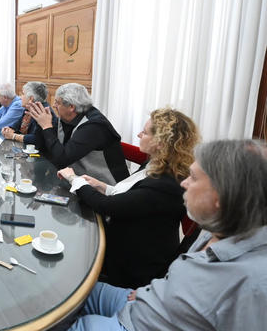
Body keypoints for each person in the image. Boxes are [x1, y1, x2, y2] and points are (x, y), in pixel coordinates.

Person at [67, 139, 267, 331]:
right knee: (69, 291)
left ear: (222, 196)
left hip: (137, 324)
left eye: (194, 178)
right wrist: (160, 288)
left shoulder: (254, 283)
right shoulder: (220, 229)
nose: (184, 183)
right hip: (143, 300)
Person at [58, 107, 201, 288]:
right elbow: (135, 198)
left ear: (160, 142)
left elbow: (104, 205)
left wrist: (73, 178)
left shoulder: (166, 184)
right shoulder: (159, 163)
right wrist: (102, 186)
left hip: (133, 265)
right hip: (132, 239)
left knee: (69, 252)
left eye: (145, 132)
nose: (139, 134)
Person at [27, 83, 128, 185]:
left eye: (57, 102)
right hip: (77, 181)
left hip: (106, 187)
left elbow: (62, 160)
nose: (53, 105)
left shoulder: (94, 126)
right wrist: (40, 123)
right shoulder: (67, 119)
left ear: (71, 107)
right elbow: (43, 148)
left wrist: (46, 126)